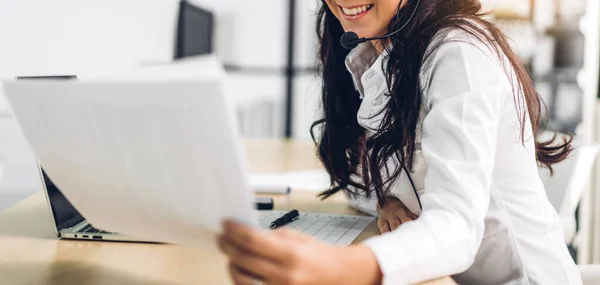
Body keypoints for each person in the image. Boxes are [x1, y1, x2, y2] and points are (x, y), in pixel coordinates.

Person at [218, 0, 582, 284]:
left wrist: (341, 266)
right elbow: (360, 176)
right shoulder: (383, 55)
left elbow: (458, 227)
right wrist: (387, 198)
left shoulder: (460, 54)